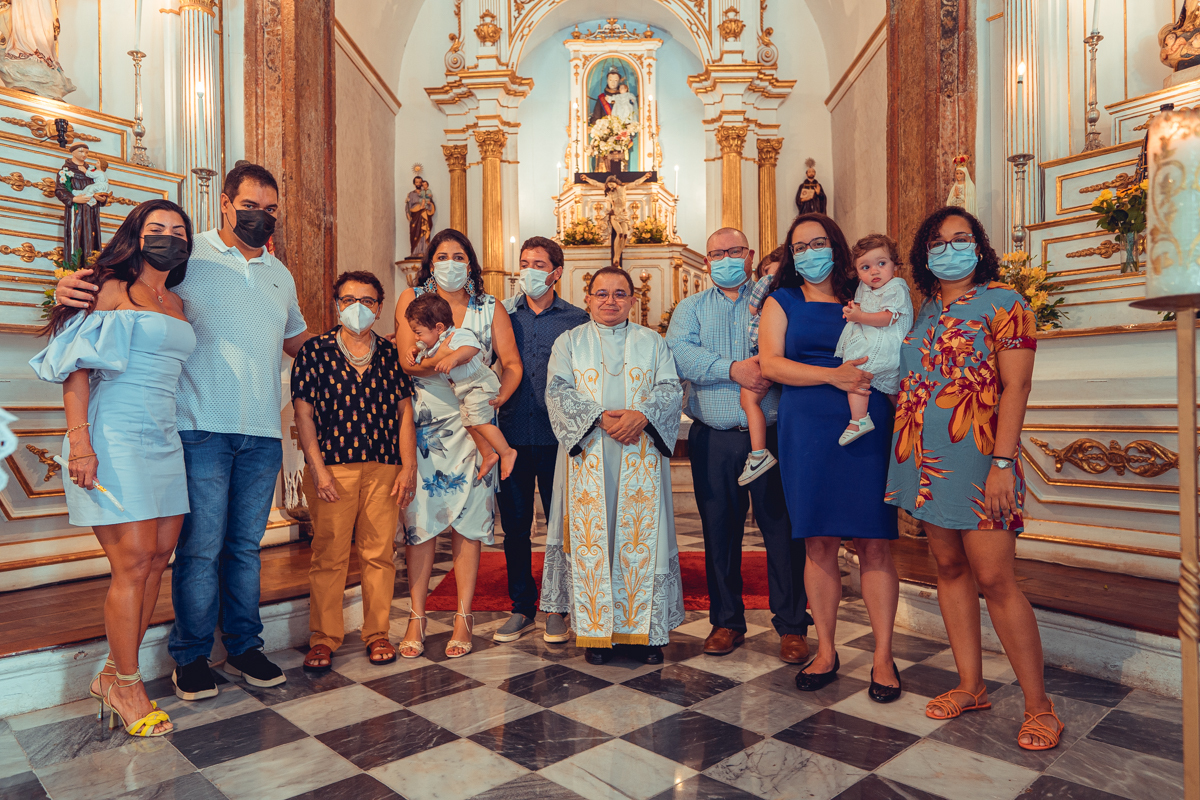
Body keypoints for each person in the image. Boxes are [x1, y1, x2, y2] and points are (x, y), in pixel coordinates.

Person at [55, 163, 312, 700]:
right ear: (224, 203)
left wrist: (365, 354)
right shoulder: (190, 262)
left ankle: (243, 645)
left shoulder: (280, 274)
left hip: (263, 428)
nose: (260, 217)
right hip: (196, 426)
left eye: (270, 209)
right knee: (198, 549)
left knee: (245, 547)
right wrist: (69, 285)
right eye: (250, 206)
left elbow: (297, 343)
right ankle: (191, 656)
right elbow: (123, 290)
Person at [887, 206, 1061, 750]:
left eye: (960, 238)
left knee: (995, 578)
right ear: (924, 254)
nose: (949, 248)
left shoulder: (1005, 302)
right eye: (938, 241)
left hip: (983, 460)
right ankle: (971, 684)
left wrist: (1004, 464)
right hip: (926, 460)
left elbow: (1017, 387)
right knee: (948, 566)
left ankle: (1040, 706)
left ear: (979, 246)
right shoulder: (923, 309)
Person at [31, 199, 197, 736]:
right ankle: (129, 684)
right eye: (156, 229)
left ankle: (111, 673)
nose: (168, 237)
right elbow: (76, 371)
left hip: (165, 436)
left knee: (156, 559)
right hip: (115, 432)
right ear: (136, 235)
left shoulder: (176, 301)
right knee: (131, 563)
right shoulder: (108, 288)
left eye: (178, 231)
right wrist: (80, 444)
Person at [758, 212, 902, 703]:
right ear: (791, 256)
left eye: (818, 243)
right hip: (809, 424)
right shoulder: (782, 300)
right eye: (800, 247)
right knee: (817, 542)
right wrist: (831, 376)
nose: (810, 253)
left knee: (874, 541)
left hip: (866, 422)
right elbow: (771, 363)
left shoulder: (863, 293)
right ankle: (825, 649)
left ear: (835, 246)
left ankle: (883, 656)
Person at [665, 227, 812, 664]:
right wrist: (733, 368)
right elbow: (679, 355)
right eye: (715, 254)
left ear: (749, 255)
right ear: (706, 261)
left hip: (772, 433)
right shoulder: (690, 308)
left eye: (733, 251)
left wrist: (766, 368)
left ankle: (791, 625)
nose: (724, 259)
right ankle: (726, 620)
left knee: (782, 533)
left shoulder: (777, 300)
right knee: (718, 533)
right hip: (713, 437)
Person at [542, 267, 685, 665]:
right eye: (601, 293)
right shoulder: (569, 342)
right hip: (588, 452)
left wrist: (642, 415)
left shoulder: (652, 342)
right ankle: (595, 632)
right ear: (587, 298)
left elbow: (671, 388)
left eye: (620, 294)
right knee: (593, 539)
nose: (610, 301)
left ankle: (645, 635)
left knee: (643, 540)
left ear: (633, 301)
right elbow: (557, 391)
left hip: (639, 450)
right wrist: (601, 419)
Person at [393, 228, 523, 659]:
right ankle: (417, 615)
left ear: (471, 263)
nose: (450, 262)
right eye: (442, 255)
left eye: (459, 255)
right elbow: (406, 365)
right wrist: (437, 363)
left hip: (478, 428)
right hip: (427, 429)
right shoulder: (413, 302)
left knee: (469, 524)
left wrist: (496, 398)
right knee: (422, 521)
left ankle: (463, 617)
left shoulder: (490, 308)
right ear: (431, 264)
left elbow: (511, 364)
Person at [292, 271, 417, 672]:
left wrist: (407, 466)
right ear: (336, 305)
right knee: (329, 555)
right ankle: (324, 637)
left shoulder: (391, 353)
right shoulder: (315, 351)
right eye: (348, 300)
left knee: (379, 553)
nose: (357, 308)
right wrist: (319, 469)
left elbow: (404, 414)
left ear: (380, 308)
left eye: (367, 300)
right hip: (334, 468)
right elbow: (304, 414)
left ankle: (377, 632)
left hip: (383, 466)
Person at [494, 237, 589, 644]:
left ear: (556, 272)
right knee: (515, 527)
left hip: (559, 439)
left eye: (538, 263)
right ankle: (521, 607)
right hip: (511, 435)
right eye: (523, 263)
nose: (528, 271)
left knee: (561, 527)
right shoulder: (502, 315)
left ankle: (560, 607)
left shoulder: (577, 319)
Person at [404, 294, 517, 482]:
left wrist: (453, 358)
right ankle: (488, 454)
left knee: (480, 422)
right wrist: (414, 350)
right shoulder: (435, 342)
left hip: (478, 384)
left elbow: (471, 348)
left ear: (439, 328)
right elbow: (423, 351)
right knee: (470, 423)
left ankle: (506, 452)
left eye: (418, 332)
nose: (416, 337)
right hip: (465, 389)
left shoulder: (457, 335)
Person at [834, 234, 912, 445]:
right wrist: (852, 310)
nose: (874, 271)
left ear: (895, 264)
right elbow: (860, 305)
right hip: (872, 337)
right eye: (865, 267)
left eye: (881, 263)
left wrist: (860, 317)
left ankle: (859, 419)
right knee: (889, 387)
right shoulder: (865, 287)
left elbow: (888, 318)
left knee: (858, 372)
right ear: (857, 272)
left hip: (889, 340)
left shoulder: (897, 286)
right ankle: (903, 421)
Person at [738, 245, 786, 485]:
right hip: (783, 352)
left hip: (766, 351)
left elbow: (752, 307)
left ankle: (758, 453)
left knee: (748, 399)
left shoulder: (767, 283)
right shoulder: (795, 290)